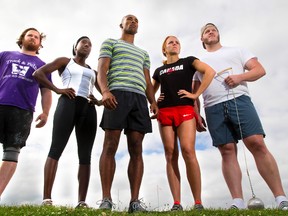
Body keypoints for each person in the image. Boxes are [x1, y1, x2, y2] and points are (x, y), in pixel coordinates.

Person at [193, 23, 288, 210]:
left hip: (240, 100)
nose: (211, 32)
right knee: (226, 150)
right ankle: (238, 201)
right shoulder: (198, 61)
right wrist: (197, 114)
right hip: (212, 106)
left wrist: (239, 77)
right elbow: (194, 90)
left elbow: (259, 70)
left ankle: (281, 198)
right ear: (202, 39)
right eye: (206, 31)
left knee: (256, 143)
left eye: (214, 29)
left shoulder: (238, 50)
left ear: (218, 34)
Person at [97, 14, 158, 213]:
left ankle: (134, 202)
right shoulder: (110, 43)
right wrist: (105, 91)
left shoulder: (144, 53)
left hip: (139, 98)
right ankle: (106, 199)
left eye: (136, 20)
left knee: (137, 148)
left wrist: (153, 101)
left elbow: (148, 81)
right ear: (121, 24)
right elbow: (102, 70)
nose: (133, 22)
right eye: (129, 19)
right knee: (110, 145)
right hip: (117, 94)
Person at [33, 36, 101, 208]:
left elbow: (106, 92)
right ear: (75, 46)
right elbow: (38, 73)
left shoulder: (93, 71)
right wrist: (57, 90)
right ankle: (47, 198)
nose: (87, 45)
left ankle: (82, 202)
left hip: (88, 108)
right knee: (56, 149)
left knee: (85, 155)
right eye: (83, 42)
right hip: (68, 103)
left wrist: (98, 101)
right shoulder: (65, 61)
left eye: (90, 44)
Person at [152, 36, 215, 211]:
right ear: (164, 48)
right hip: (165, 112)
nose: (174, 43)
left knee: (188, 150)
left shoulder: (189, 61)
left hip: (185, 110)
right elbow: (150, 90)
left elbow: (210, 72)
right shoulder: (159, 70)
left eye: (177, 42)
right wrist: (154, 102)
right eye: (170, 42)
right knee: (170, 153)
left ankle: (197, 202)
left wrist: (196, 95)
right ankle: (177, 203)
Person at [0, 28, 52, 199]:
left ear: (39, 44)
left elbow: (46, 91)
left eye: (36, 37)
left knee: (12, 151)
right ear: (22, 39)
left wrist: (45, 112)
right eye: (30, 35)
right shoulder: (5, 55)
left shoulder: (42, 65)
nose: (33, 38)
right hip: (1, 103)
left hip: (23, 111)